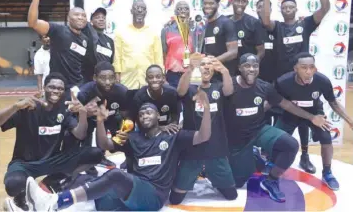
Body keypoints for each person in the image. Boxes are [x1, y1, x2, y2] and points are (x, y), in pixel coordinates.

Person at [25, 90, 212, 211]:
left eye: (149, 112)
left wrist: (206, 110)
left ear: (158, 117)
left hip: (153, 196)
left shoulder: (172, 137)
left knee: (115, 175)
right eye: (141, 114)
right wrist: (99, 122)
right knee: (88, 180)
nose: (145, 115)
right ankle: (34, 204)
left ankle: (55, 203)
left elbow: (203, 136)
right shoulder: (133, 138)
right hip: (132, 191)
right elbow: (106, 144)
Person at [226, 53, 331, 202]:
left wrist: (312, 117)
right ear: (239, 68)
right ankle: (254, 158)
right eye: (247, 66)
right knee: (237, 182)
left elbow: (286, 104)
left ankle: (271, 180)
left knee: (290, 145)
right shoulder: (229, 87)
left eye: (255, 66)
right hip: (236, 138)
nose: (251, 69)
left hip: (258, 130)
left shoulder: (264, 87)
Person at [261, 0, 330, 173]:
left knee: (303, 119)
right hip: (283, 83)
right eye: (284, 7)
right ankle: (272, 154)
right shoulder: (278, 27)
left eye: (291, 7)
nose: (288, 9)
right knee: (282, 117)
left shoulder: (305, 24)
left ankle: (306, 155)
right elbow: (265, 19)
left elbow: (325, 8)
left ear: (296, 9)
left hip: (302, 81)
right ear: (281, 11)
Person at [0, 73, 103, 211]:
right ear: (44, 87)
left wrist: (82, 113)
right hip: (25, 163)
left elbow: (80, 135)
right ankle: (21, 197)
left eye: (60, 88)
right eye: (52, 87)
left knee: (95, 153)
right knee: (13, 184)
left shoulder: (64, 110)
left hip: (53, 160)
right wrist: (15, 107)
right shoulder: (27, 107)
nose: (56, 91)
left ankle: (50, 183)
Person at [274, 52, 353, 190]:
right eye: (304, 67)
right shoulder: (283, 82)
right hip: (291, 113)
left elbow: (334, 103)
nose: (308, 71)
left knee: (326, 137)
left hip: (315, 113)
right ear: (295, 69)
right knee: (276, 137)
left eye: (312, 67)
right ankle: (273, 166)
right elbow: (285, 105)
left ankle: (327, 173)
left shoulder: (322, 81)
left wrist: (350, 120)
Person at [169, 54, 237, 205]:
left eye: (209, 64)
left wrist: (224, 71)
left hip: (216, 147)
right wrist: (190, 68)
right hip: (193, 149)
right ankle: (197, 171)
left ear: (214, 69)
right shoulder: (190, 88)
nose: (206, 66)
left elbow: (229, 91)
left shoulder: (218, 86)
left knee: (231, 195)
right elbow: (180, 91)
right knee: (175, 199)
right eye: (202, 64)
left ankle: (210, 172)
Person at [28, 0, 90, 91]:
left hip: (77, 87)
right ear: (68, 18)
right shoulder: (59, 31)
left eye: (83, 15)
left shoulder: (85, 39)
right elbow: (33, 23)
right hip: (59, 87)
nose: (80, 17)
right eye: (76, 15)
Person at [76, 61, 132, 170]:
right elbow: (75, 116)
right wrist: (86, 113)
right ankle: (90, 159)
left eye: (111, 78)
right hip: (91, 119)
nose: (107, 82)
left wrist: (124, 132)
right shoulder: (84, 92)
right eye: (103, 78)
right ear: (94, 78)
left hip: (113, 117)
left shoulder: (122, 91)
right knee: (84, 131)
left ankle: (129, 158)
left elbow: (128, 116)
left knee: (126, 126)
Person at [74, 0, 115, 83]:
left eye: (103, 17)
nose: (101, 19)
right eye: (97, 17)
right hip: (88, 80)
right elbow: (79, 7)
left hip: (106, 81)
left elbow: (111, 62)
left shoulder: (110, 41)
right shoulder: (88, 32)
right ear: (90, 21)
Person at [113, 0, 164, 90]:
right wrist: (117, 76)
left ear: (146, 12)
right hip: (127, 80)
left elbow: (158, 58)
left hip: (149, 81)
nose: (140, 10)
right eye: (137, 8)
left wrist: (161, 77)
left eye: (143, 8)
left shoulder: (153, 33)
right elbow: (117, 57)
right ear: (131, 11)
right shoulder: (121, 33)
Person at [201, 0, 238, 81]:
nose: (207, 6)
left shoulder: (226, 22)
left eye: (211, 3)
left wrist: (211, 62)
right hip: (207, 75)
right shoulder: (202, 25)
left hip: (222, 76)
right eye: (205, 3)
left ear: (217, 5)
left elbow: (233, 52)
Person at [161, 1, 194, 88]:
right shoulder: (166, 30)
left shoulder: (195, 29)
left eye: (186, 9)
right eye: (180, 9)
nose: (183, 11)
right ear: (175, 12)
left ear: (189, 12)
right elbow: (163, 53)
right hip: (173, 74)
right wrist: (163, 75)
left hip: (190, 73)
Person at [229, 0, 265, 65]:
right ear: (232, 1)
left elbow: (261, 51)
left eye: (243, 1)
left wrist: (251, 65)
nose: (240, 4)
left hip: (246, 71)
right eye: (237, 1)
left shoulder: (254, 22)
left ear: (247, 3)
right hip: (227, 69)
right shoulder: (224, 21)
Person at [255, 0, 277, 84]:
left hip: (275, 76)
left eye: (266, 7)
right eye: (260, 7)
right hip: (255, 75)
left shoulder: (277, 27)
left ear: (270, 10)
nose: (263, 10)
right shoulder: (251, 26)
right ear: (256, 10)